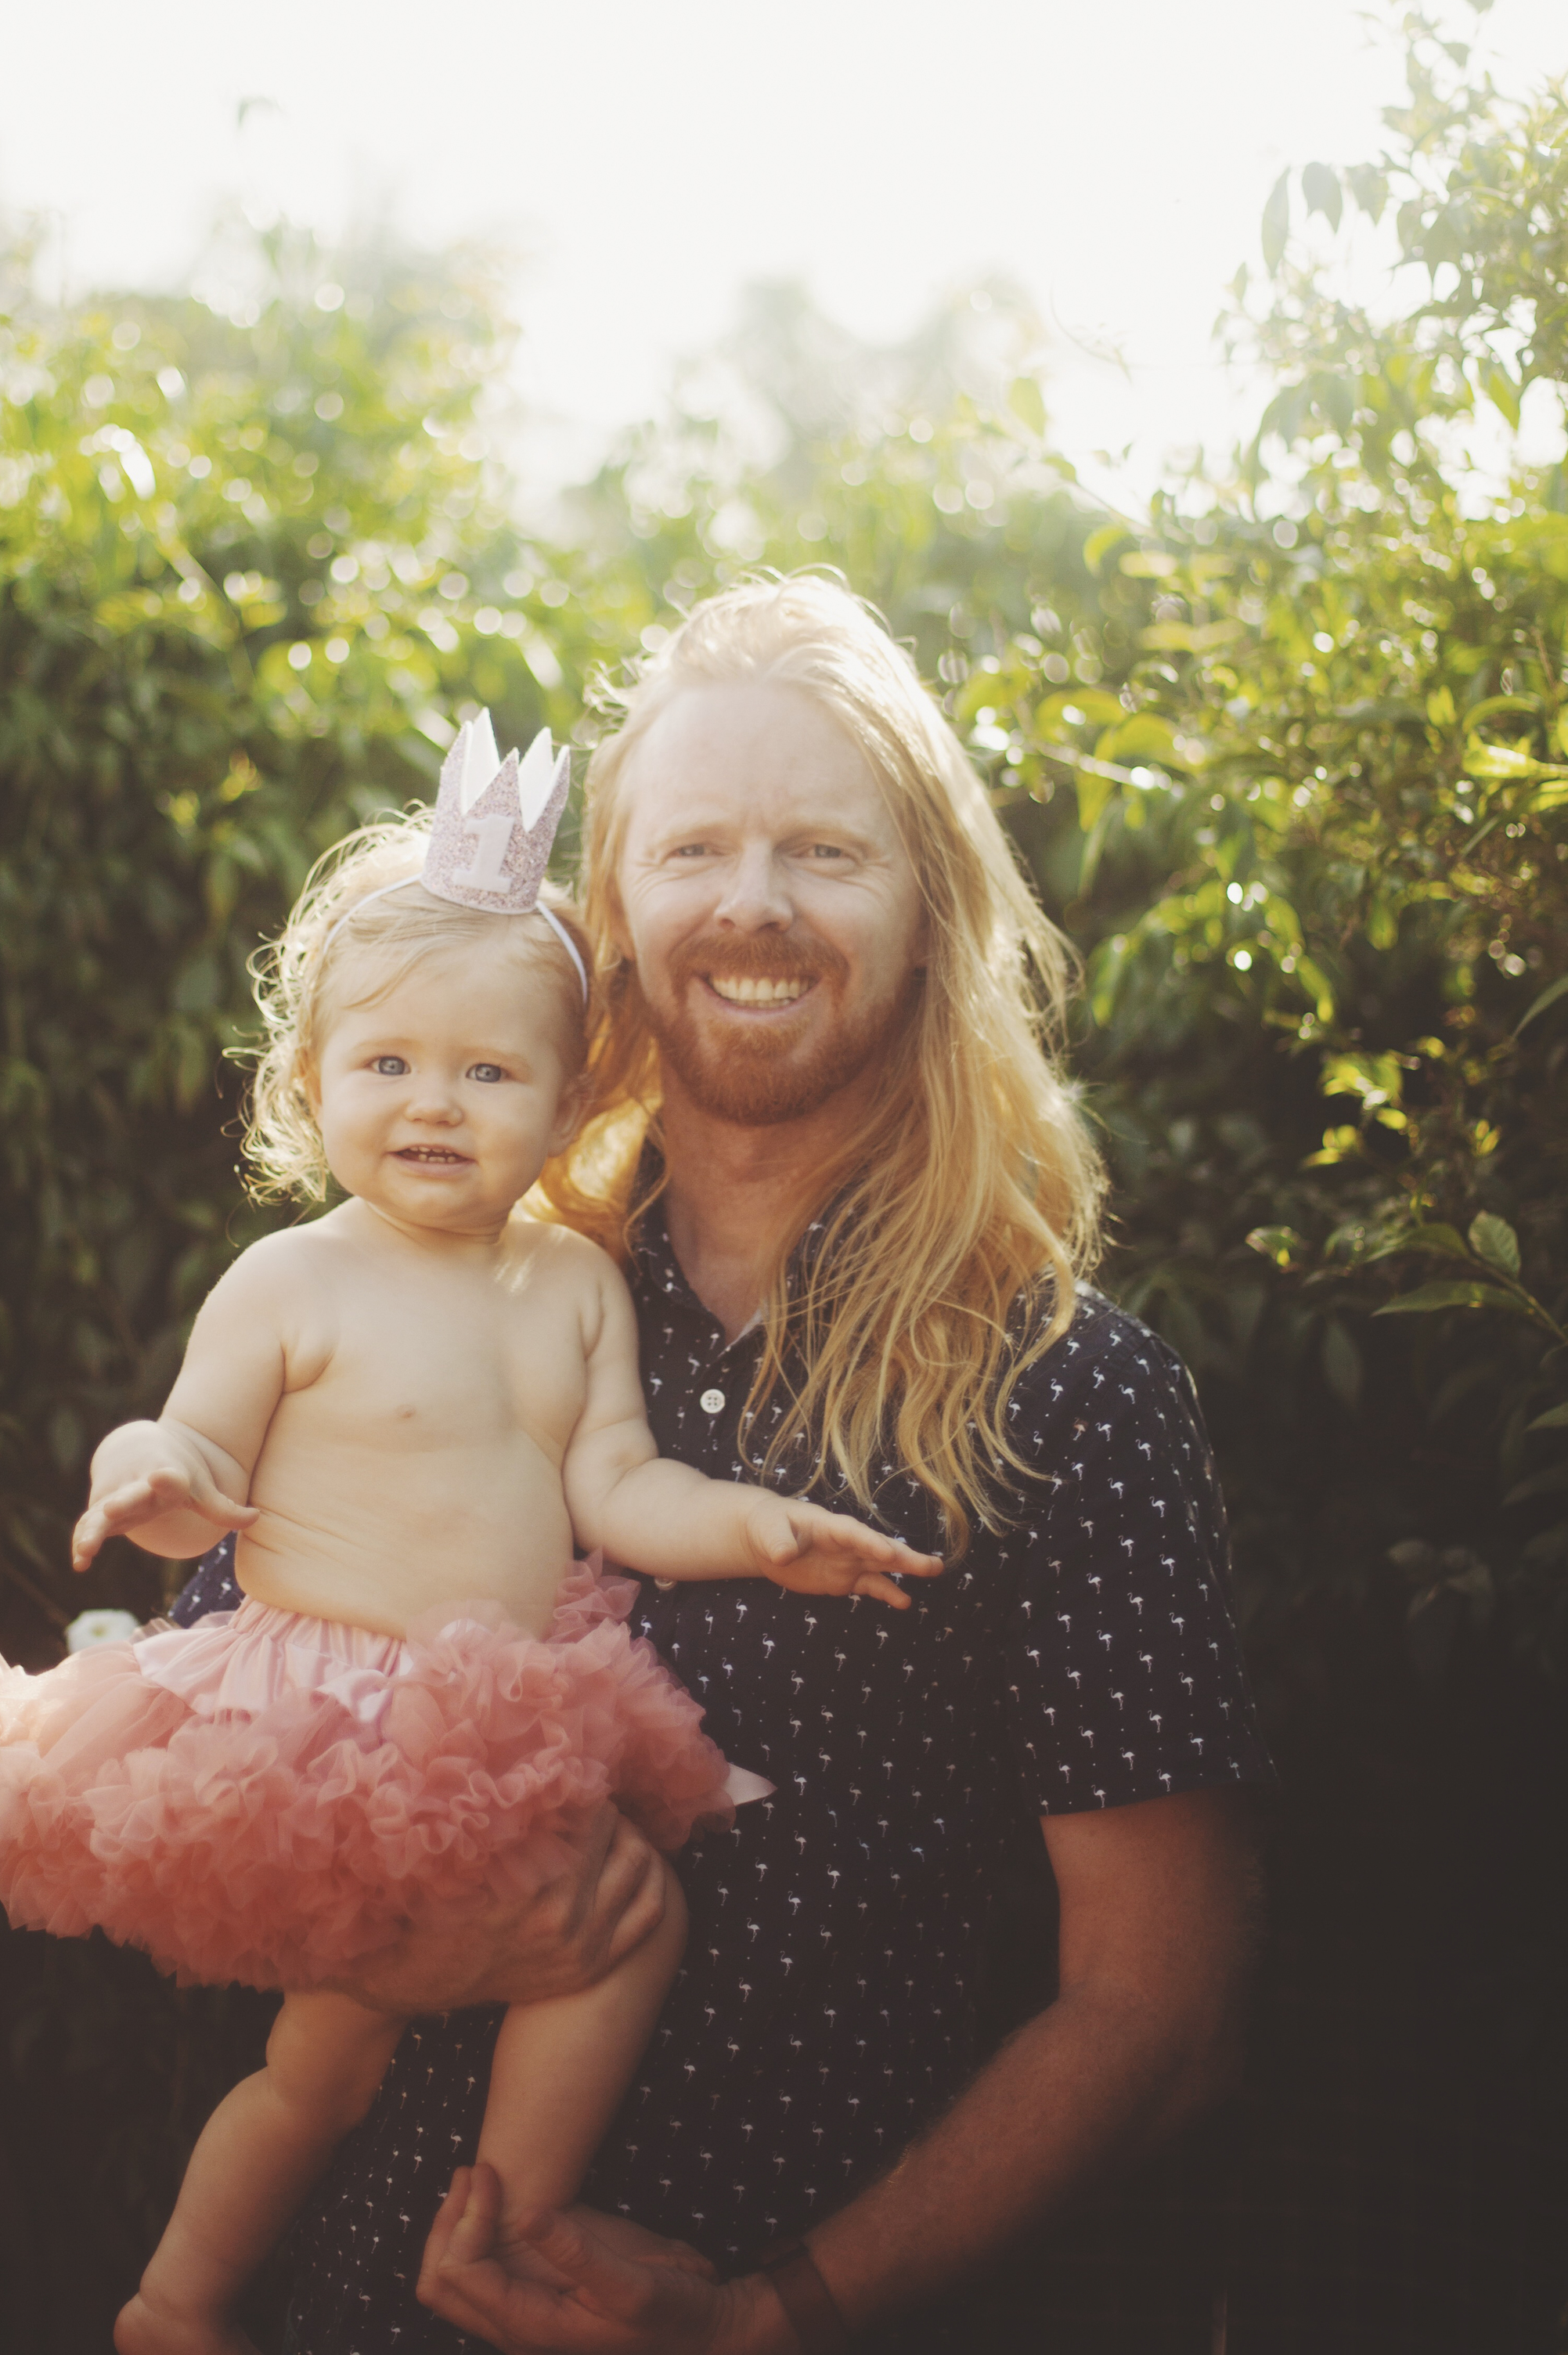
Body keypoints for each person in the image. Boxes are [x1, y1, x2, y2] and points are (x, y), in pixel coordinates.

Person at [174, 573, 1271, 2353]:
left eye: (822, 854)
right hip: (368, 2302)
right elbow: (215, 1728)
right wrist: (422, 1940)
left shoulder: (1071, 1401)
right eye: (691, 851)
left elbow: (1161, 2020)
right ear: (606, 913)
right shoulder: (452, 1298)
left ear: (929, 914)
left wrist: (770, 2313)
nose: (749, 906)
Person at [0, 715, 932, 2355]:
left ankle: (503, 2228)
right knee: (313, 2071)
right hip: (325, 1720)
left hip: (484, 1713)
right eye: (385, 1064)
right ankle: (173, 2298)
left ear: (565, 1098)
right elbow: (188, 1427)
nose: (431, 1105)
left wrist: (756, 1530)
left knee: (609, 1934)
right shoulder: (293, 1280)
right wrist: (149, 1478)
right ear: (308, 1076)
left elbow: (615, 1489)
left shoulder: (569, 1286)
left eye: (486, 1072)